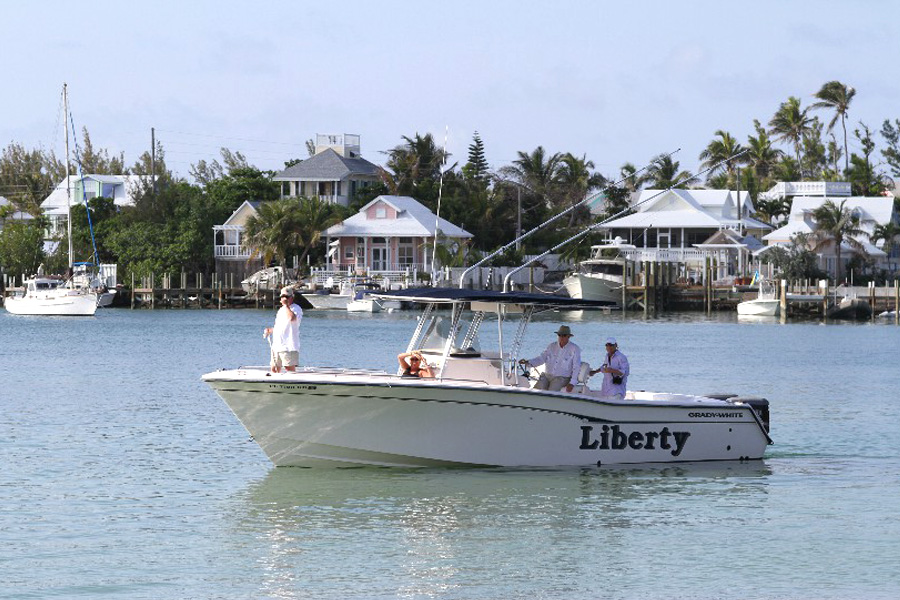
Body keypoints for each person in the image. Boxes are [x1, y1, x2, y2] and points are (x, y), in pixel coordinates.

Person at [519, 325, 582, 392]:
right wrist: (528, 362)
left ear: (568, 337)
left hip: (561, 378)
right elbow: (541, 358)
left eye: (564, 335)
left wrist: (572, 383)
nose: (561, 337)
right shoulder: (551, 346)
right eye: (559, 335)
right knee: (535, 391)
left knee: (551, 392)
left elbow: (576, 367)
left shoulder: (575, 349)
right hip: (546, 376)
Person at [263, 286, 303, 373]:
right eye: (282, 297)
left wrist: (286, 306)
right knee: (274, 368)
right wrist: (270, 330)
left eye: (287, 297)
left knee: (289, 369)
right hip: (277, 345)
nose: (284, 299)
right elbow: (281, 326)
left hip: (289, 346)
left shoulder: (296, 308)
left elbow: (292, 318)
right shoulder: (281, 310)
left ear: (292, 298)